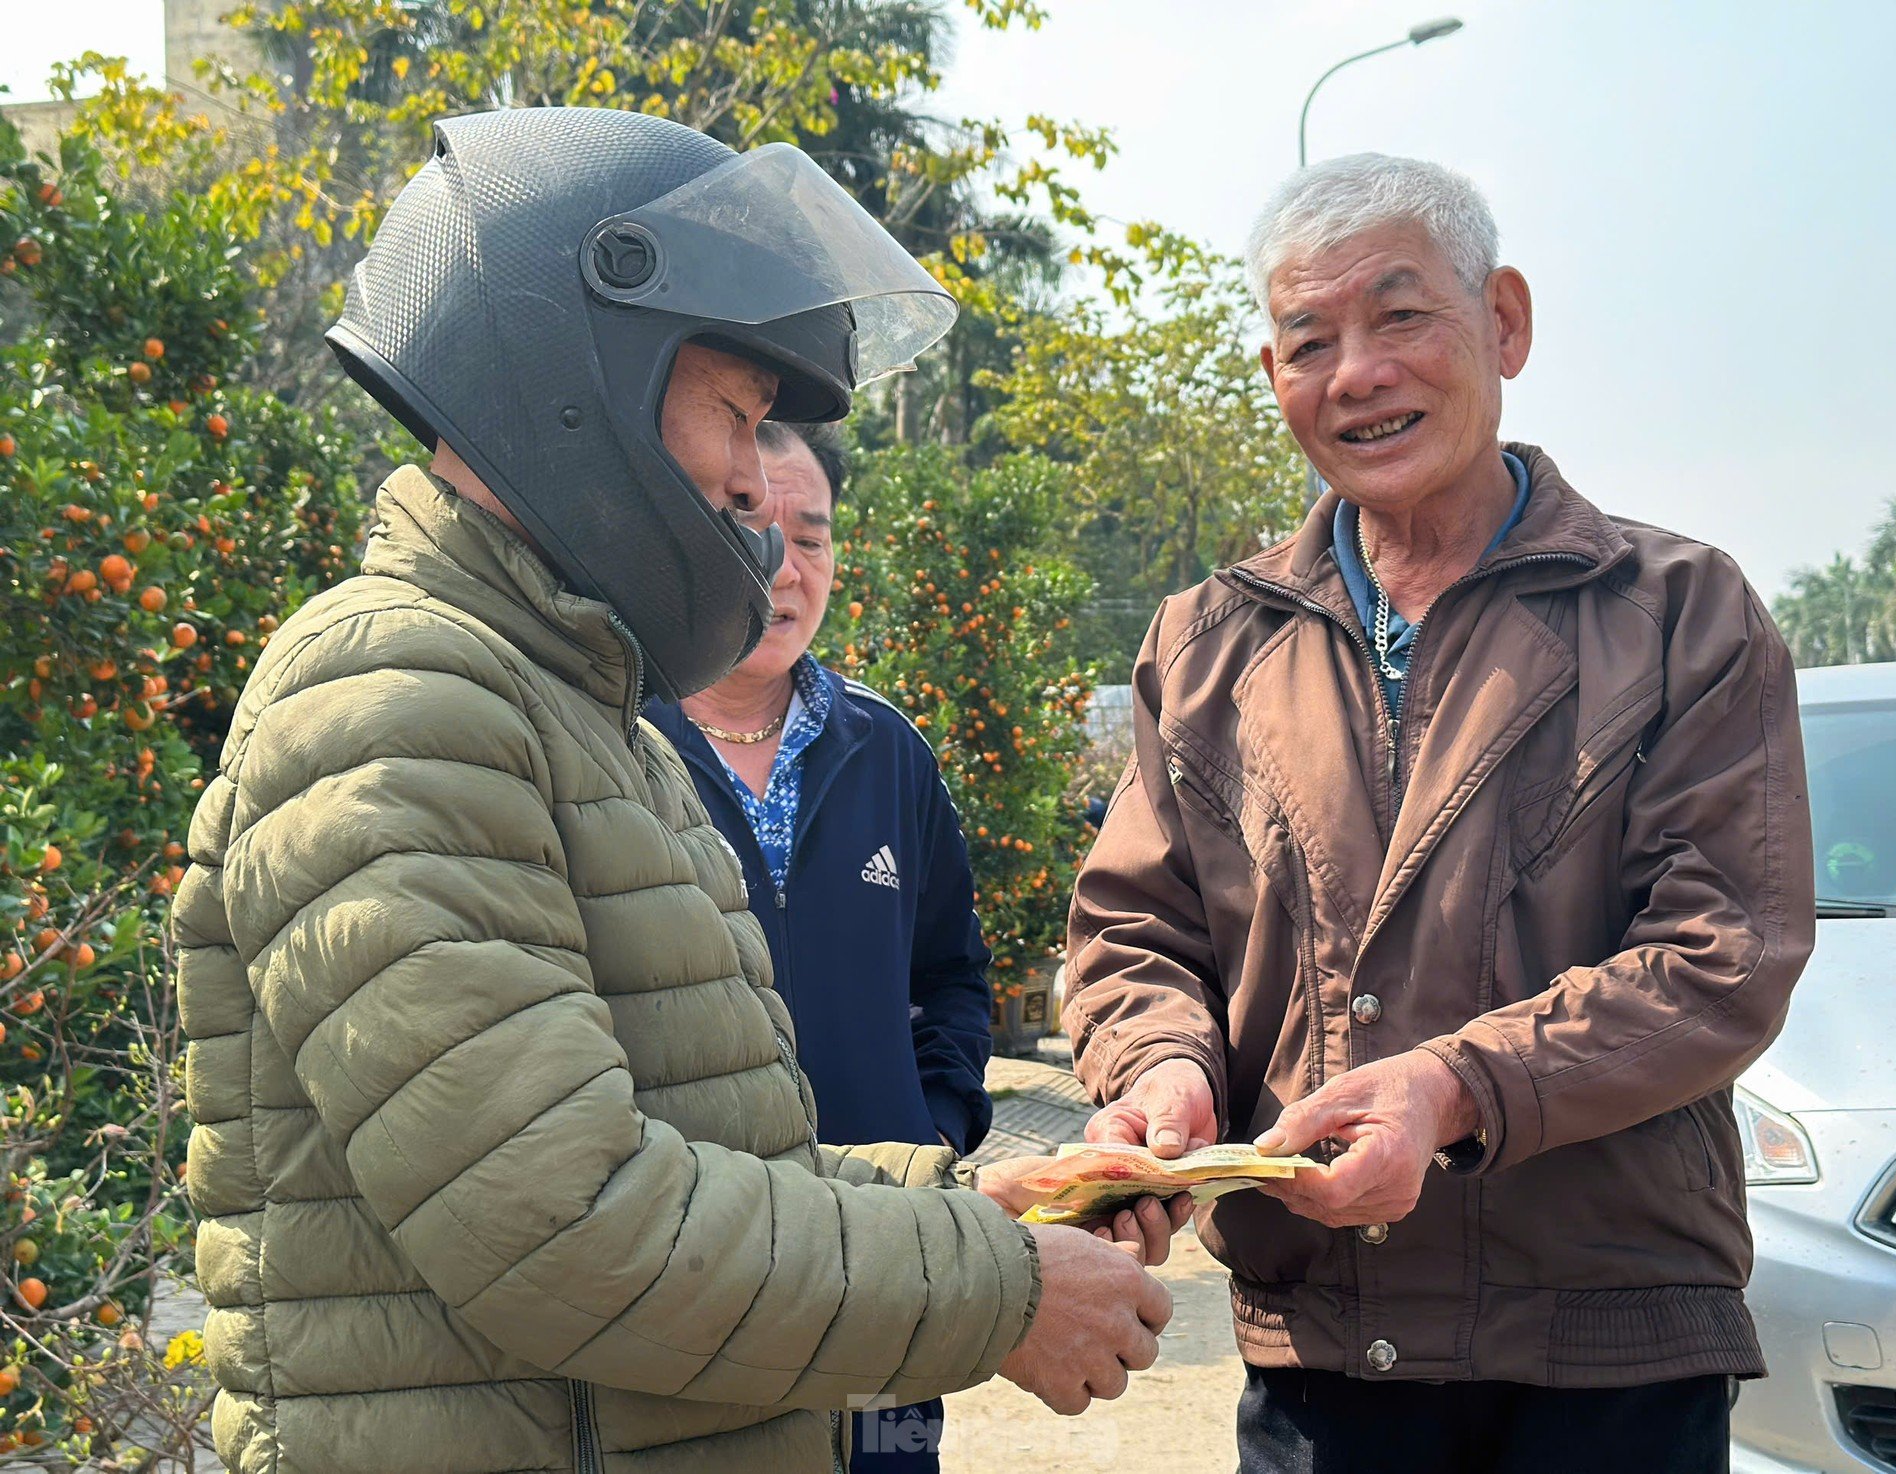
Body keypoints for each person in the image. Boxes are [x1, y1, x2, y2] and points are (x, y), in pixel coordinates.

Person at [171, 107, 1180, 1474]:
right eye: (740, 416)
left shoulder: (587, 713)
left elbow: (704, 1146)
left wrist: (978, 1203)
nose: (758, 488)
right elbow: (567, 1223)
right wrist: (989, 1285)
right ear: (576, 374)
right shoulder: (394, 700)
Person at [1063, 153, 1814, 1474]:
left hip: (1609, 1352)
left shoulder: (1678, 611)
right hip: (1324, 1351)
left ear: (1502, 322)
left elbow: (1723, 951)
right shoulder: (1206, 641)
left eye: (1399, 315)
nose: (1355, 371)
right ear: (1274, 378)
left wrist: (1455, 1087)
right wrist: (1161, 1075)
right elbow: (1136, 927)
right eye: (1310, 340)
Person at [645, 419, 994, 1470]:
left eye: (815, 536)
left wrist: (935, 1122)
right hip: (694, 1274)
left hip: (887, 1268)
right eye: (748, 524)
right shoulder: (608, 746)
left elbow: (952, 971)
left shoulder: (887, 751)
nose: (785, 569)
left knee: (888, 1462)